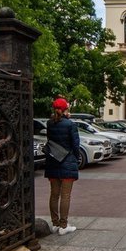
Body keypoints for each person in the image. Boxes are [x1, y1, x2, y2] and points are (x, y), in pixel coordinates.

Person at [46, 97, 81, 235]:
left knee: (54, 195)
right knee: (65, 195)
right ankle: (63, 225)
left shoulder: (50, 123)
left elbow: (51, 139)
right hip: (67, 161)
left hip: (53, 160)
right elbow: (75, 145)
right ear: (66, 109)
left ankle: (55, 224)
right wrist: (76, 158)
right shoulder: (70, 124)